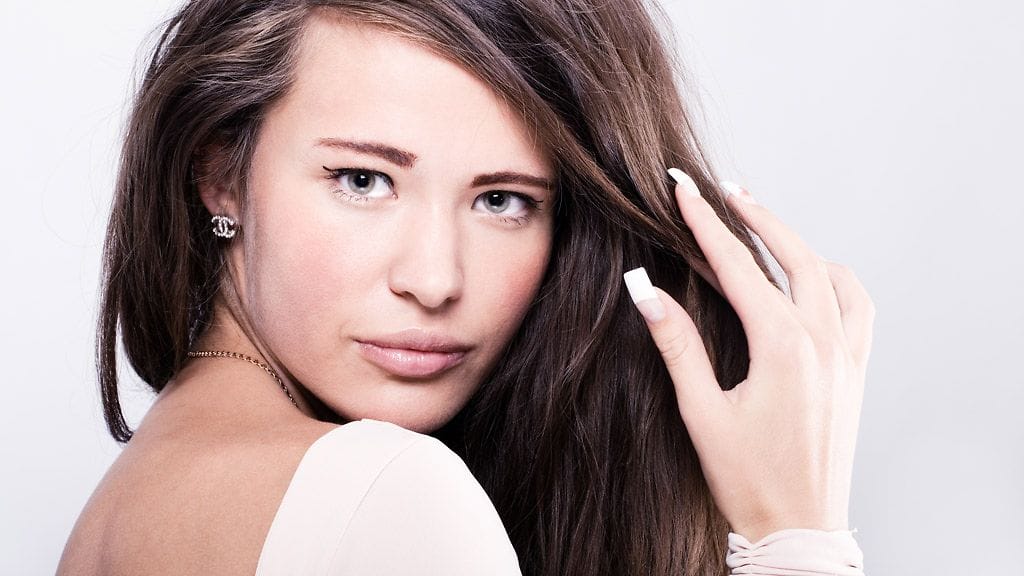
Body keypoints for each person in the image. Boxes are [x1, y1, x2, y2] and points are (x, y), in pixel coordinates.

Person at [58, 0, 874, 575]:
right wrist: (794, 535)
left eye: (502, 201)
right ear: (220, 174)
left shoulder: (137, 497)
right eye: (363, 180)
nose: (435, 281)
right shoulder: (385, 494)